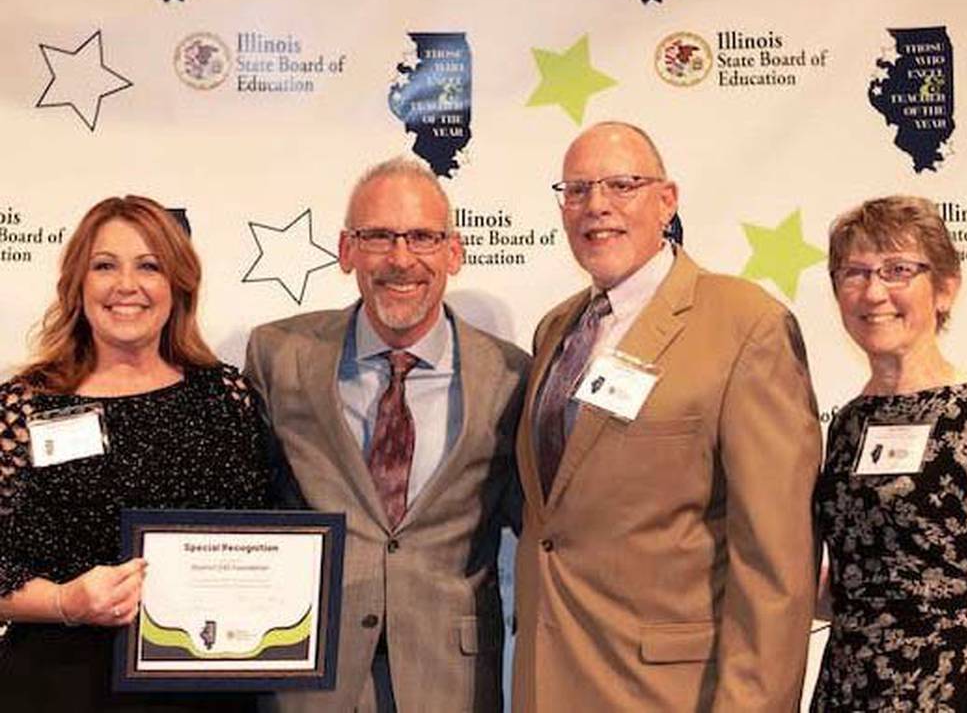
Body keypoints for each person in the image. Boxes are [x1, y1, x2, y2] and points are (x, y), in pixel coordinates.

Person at [512, 122, 821, 712]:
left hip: (672, 695)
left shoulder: (743, 324)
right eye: (576, 190)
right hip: (549, 683)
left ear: (667, 199)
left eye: (621, 184)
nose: (596, 206)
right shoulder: (557, 328)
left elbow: (775, 562)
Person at [245, 158, 529, 713]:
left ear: (454, 251)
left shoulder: (511, 375)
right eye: (377, 236)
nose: (401, 259)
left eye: (422, 236)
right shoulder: (278, 355)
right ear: (347, 250)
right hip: (310, 671)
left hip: (452, 675)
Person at [0, 195, 271, 711]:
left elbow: (258, 535)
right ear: (79, 284)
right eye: (105, 266)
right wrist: (65, 602)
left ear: (178, 286)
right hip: (57, 684)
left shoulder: (224, 397)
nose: (127, 285)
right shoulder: (24, 408)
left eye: (149, 266)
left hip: (201, 687)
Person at [812, 196, 967, 711]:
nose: (874, 291)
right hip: (844, 693)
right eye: (854, 273)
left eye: (898, 270)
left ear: (945, 289)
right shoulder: (848, 424)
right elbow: (859, 580)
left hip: (947, 696)